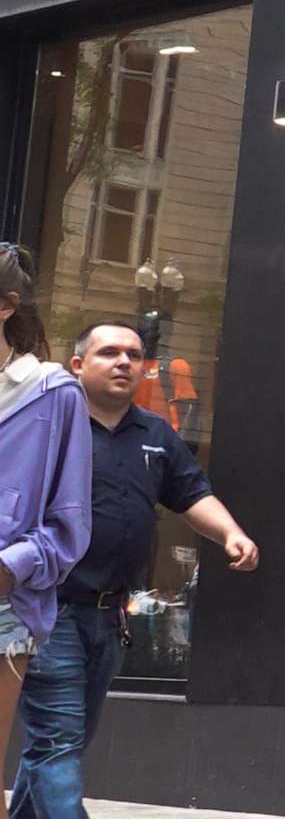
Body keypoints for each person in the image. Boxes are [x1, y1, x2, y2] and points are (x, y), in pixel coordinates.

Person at [12, 323, 257, 819]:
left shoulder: (155, 432)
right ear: (78, 364)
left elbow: (191, 495)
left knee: (60, 744)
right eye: (109, 352)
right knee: (57, 741)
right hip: (48, 609)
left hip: (109, 616)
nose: (124, 361)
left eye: (134, 354)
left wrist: (231, 533)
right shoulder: (50, 423)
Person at [0, 247, 90, 739]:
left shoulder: (51, 392)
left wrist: (10, 566)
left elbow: (70, 520)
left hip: (4, 604)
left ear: (7, 305)